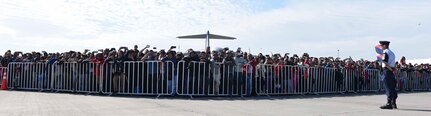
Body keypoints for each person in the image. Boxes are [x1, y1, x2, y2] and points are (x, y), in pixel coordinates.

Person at [379, 40, 398, 109]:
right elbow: (394, 64)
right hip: (391, 71)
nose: (380, 47)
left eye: (381, 45)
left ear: (384, 45)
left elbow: (385, 63)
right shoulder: (392, 53)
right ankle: (394, 103)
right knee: (392, 87)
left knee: (388, 87)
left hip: (387, 71)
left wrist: (391, 69)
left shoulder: (385, 52)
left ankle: (389, 103)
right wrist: (393, 70)